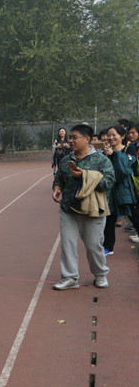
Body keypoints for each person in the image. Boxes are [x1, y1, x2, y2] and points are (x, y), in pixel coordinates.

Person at [52, 124, 114, 290]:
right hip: (68, 210)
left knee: (94, 245)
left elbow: (108, 182)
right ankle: (70, 277)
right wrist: (57, 188)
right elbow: (59, 178)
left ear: (87, 139)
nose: (71, 141)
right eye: (70, 137)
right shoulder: (66, 160)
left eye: (74, 137)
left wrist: (85, 176)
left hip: (92, 210)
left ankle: (100, 274)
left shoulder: (101, 160)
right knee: (68, 244)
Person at [102, 125, 136, 256]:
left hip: (125, 189)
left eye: (114, 135)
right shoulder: (106, 151)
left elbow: (127, 167)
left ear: (122, 136)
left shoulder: (129, 148)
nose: (110, 138)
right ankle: (108, 247)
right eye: (108, 135)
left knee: (134, 215)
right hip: (111, 189)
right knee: (109, 218)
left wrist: (114, 154)